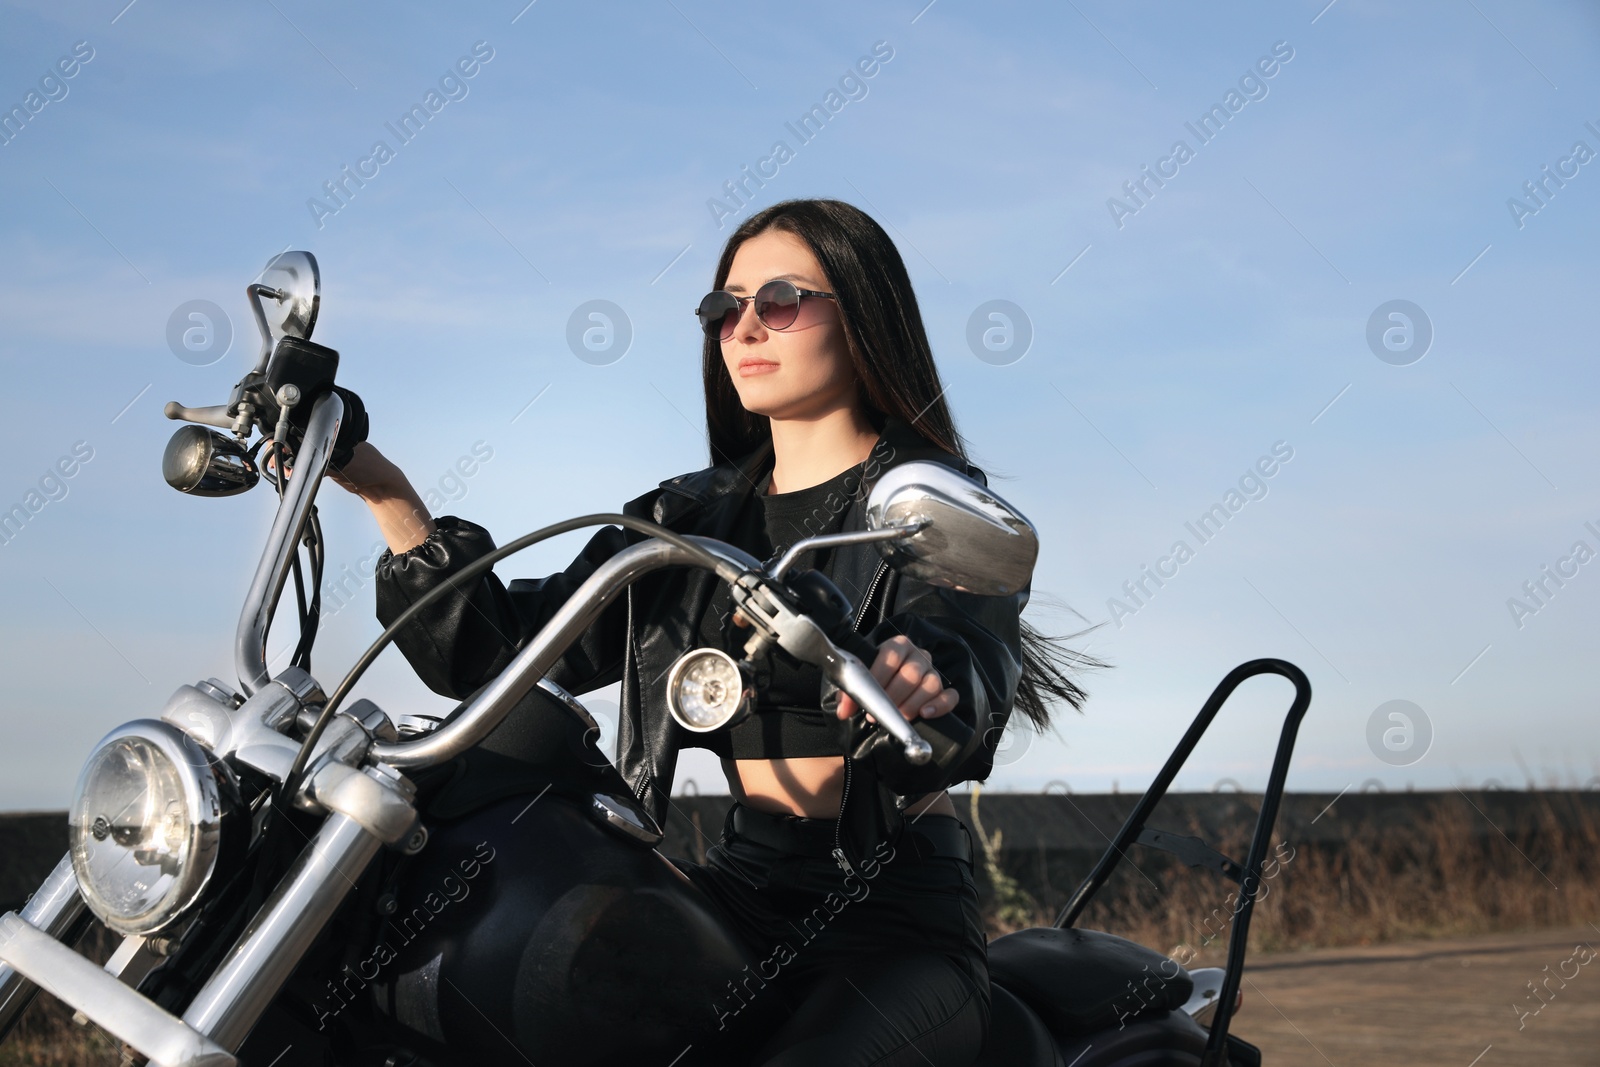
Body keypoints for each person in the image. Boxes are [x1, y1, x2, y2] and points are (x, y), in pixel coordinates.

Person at [320, 198, 1098, 1066]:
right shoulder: (687, 517)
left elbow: (965, 640)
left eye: (780, 301)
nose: (744, 328)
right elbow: (497, 650)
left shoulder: (922, 501)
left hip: (890, 923)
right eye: (725, 308)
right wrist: (379, 486)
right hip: (739, 888)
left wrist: (924, 673)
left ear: (863, 314)